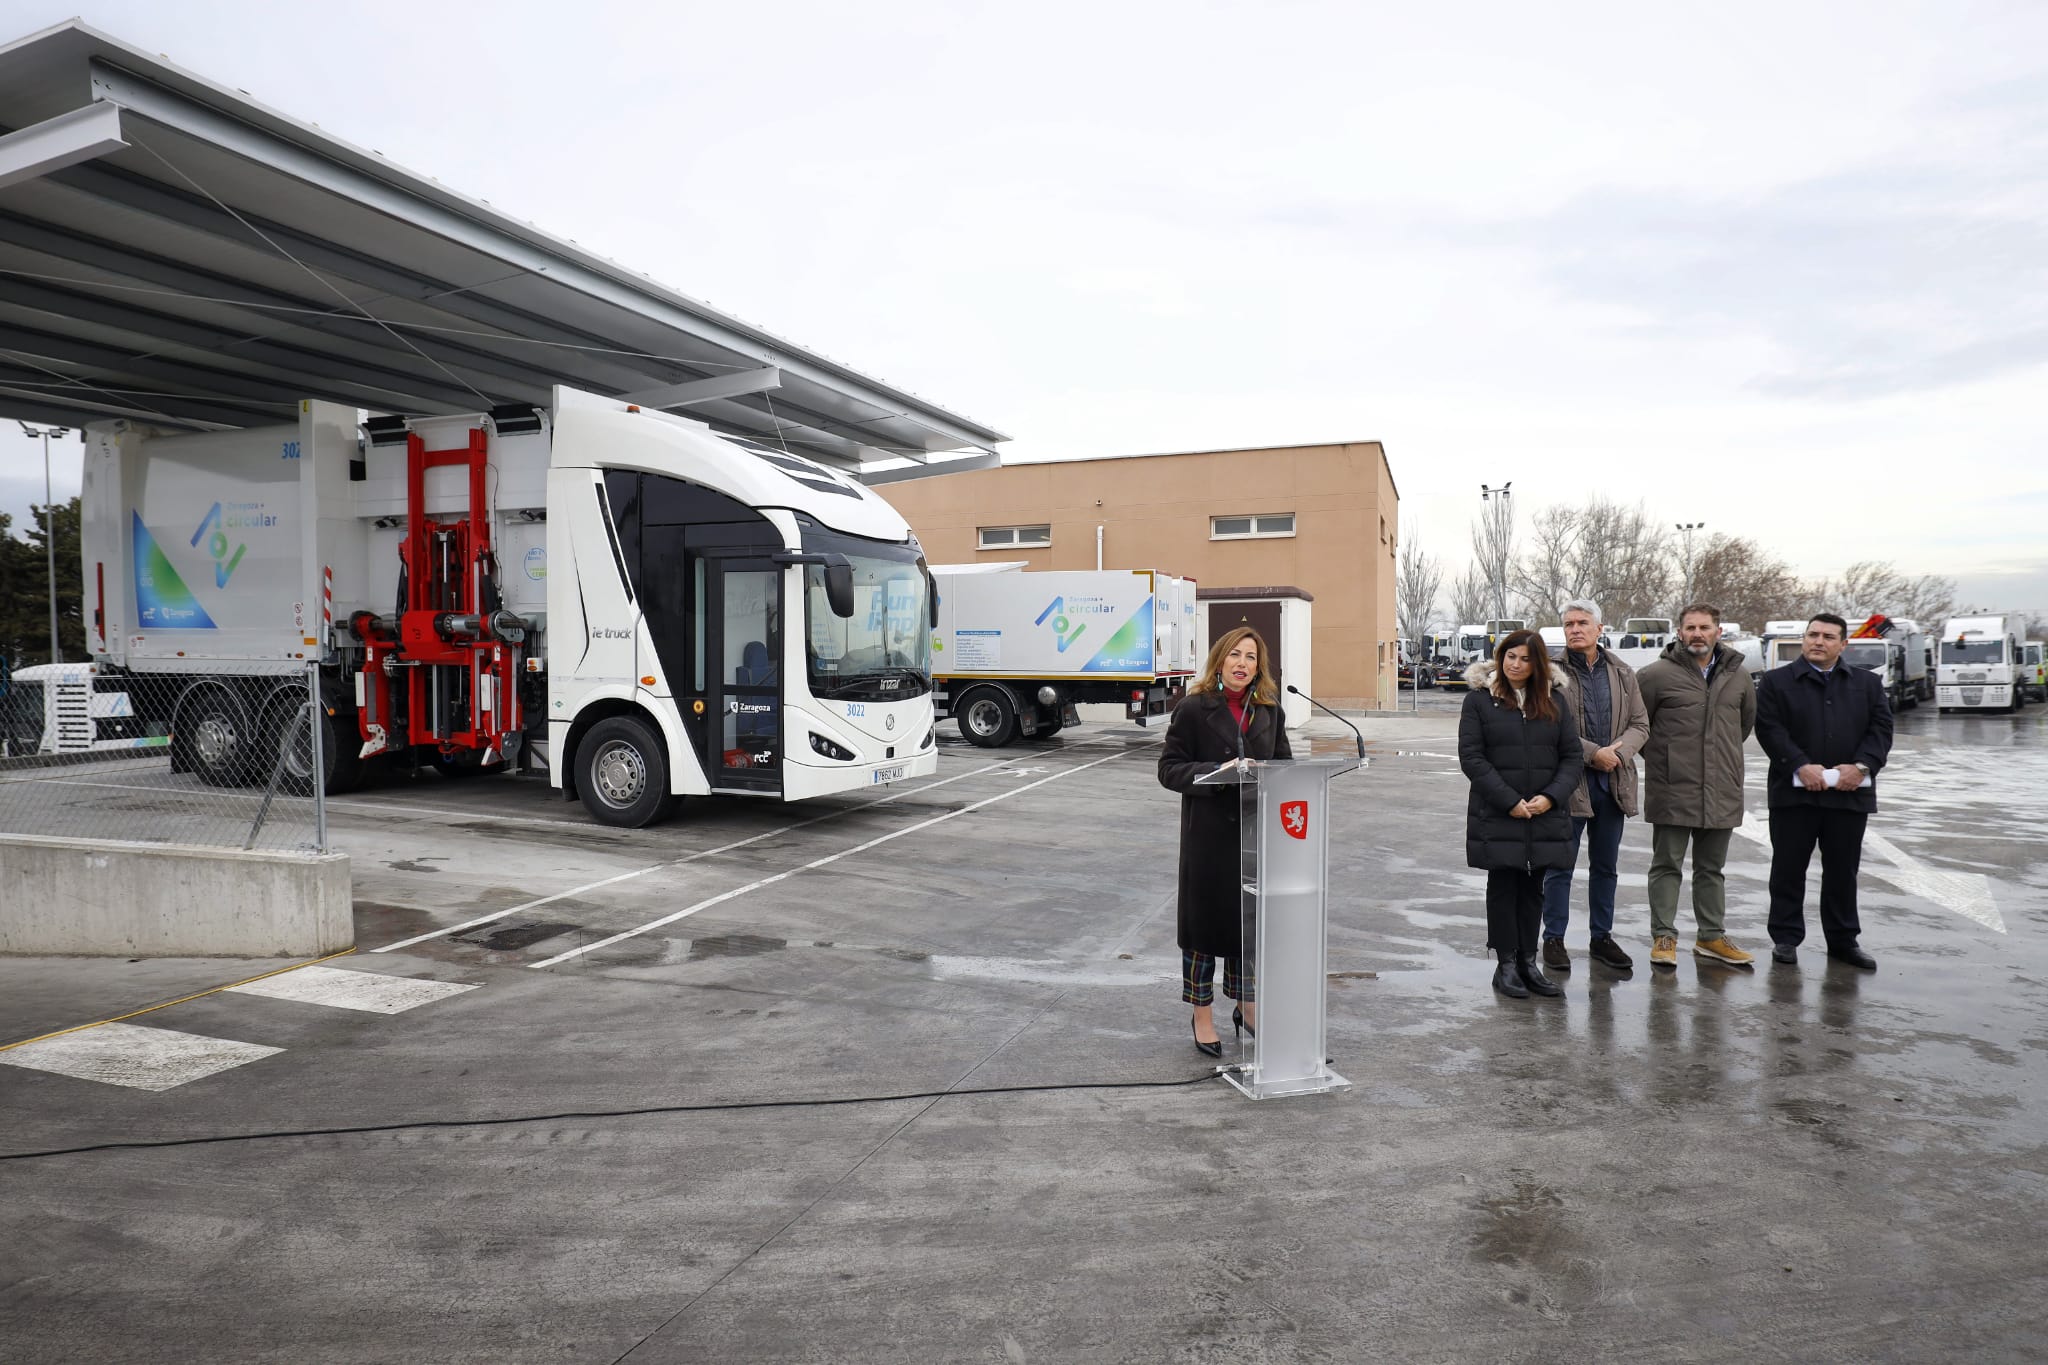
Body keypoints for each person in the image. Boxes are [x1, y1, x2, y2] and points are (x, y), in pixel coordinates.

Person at [1158, 625, 1292, 1055]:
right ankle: (1201, 1016)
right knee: (1203, 932)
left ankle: (1247, 1008)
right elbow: (1169, 768)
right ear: (1219, 660)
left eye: (1251, 657)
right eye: (1235, 654)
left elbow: (1285, 766)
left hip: (1254, 837)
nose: (1242, 663)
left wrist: (1278, 780)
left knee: (1247, 928)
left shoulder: (1269, 709)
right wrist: (1217, 773)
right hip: (1209, 841)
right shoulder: (1193, 709)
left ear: (1259, 667)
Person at [1755, 612, 1894, 969]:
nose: (1818, 641)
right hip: (1794, 795)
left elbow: (1881, 730)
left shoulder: (1867, 684)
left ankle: (1843, 941)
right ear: (1804, 639)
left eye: (1828, 637)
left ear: (1843, 644)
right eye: (1813, 635)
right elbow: (1769, 729)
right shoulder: (1775, 682)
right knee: (1788, 869)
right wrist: (1799, 765)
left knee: (1843, 872)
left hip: (1849, 794)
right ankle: (1786, 939)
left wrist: (1861, 767)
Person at [1459, 630, 1583, 999]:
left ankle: (1529, 963)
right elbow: (1472, 758)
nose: (1516, 664)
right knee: (1503, 887)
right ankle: (1506, 965)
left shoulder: (1554, 701)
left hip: (1544, 814)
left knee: (1533, 889)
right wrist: (1509, 800)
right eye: (1510, 656)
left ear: (1537, 664)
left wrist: (1551, 797)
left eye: (1525, 659)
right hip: (1498, 812)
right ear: (1501, 658)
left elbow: (1572, 757)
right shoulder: (1479, 701)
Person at [1636, 604, 1757, 969]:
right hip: (1672, 788)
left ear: (1718, 632)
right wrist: (1668, 762)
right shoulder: (1654, 676)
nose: (1697, 634)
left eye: (1705, 627)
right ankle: (1664, 936)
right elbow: (1639, 728)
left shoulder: (1739, 677)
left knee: (1711, 868)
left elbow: (1743, 727)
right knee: (1666, 865)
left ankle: (1711, 937)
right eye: (1690, 627)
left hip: (1721, 788)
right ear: (1680, 632)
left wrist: (1720, 763)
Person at [1540, 599, 1649, 972]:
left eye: (1582, 622)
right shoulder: (1550, 674)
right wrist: (1592, 754)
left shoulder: (1622, 672)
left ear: (1600, 628)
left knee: (1606, 867)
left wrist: (1617, 754)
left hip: (1611, 785)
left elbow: (1640, 724)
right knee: (1559, 867)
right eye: (1569, 623)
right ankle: (1553, 939)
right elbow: (1546, 724)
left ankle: (1601, 937)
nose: (1575, 629)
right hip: (1566, 785)